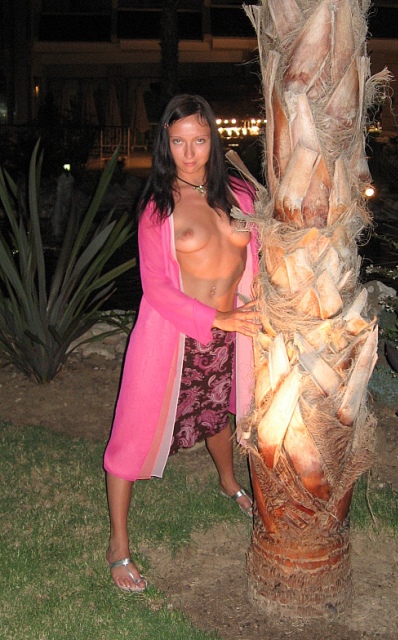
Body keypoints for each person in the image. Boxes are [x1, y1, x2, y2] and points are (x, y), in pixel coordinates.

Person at [103, 94, 260, 593]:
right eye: (178, 142)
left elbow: (258, 255)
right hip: (175, 337)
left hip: (231, 334)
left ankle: (229, 482)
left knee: (218, 414)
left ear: (213, 139)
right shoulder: (159, 206)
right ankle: (118, 543)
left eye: (199, 140)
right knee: (134, 434)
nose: (189, 154)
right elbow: (156, 287)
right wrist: (220, 317)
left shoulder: (240, 193)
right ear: (165, 145)